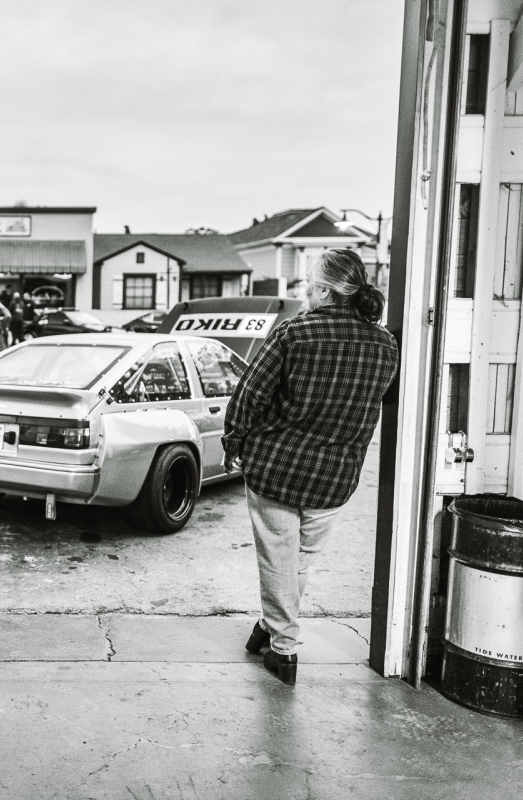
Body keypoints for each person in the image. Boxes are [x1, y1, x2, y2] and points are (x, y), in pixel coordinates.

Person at [222, 249, 398, 685]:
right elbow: (382, 400)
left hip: (278, 468)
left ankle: (283, 649)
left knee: (279, 560)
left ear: (323, 289)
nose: (305, 290)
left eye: (308, 283)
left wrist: (234, 441)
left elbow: (250, 394)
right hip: (336, 476)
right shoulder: (384, 344)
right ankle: (269, 625)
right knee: (297, 563)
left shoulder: (296, 332)